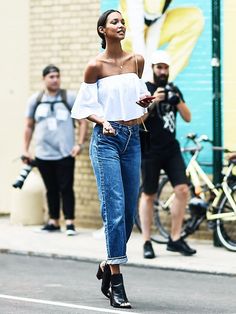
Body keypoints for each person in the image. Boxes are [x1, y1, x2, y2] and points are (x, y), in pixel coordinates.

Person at [71, 9, 152, 309]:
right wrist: (102, 120)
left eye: (122, 21)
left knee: (128, 213)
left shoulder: (136, 61)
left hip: (133, 139)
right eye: (114, 22)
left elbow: (139, 105)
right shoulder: (95, 66)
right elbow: (83, 107)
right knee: (114, 209)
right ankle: (117, 283)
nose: (121, 25)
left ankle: (107, 263)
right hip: (106, 140)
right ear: (102, 30)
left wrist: (145, 105)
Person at [139, 50, 197, 258]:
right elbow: (137, 119)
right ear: (153, 69)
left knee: (182, 190)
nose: (163, 71)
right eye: (159, 67)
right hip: (150, 149)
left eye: (166, 68)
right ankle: (146, 241)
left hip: (171, 148)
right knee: (149, 195)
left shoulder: (174, 89)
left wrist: (177, 101)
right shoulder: (145, 89)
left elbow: (188, 117)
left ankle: (174, 239)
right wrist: (153, 102)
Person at [23, 65, 88, 236]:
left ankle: (70, 223)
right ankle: (53, 221)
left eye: (57, 76)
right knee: (50, 188)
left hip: (65, 153)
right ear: (44, 79)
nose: (55, 79)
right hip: (43, 153)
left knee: (66, 188)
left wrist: (79, 144)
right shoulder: (35, 100)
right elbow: (29, 126)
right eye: (51, 76)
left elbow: (83, 122)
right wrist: (25, 149)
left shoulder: (69, 98)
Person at [119, 0, 204, 80]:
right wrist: (143, 73)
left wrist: (152, 77)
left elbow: (157, 22)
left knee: (194, 18)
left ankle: (161, 80)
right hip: (128, 34)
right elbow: (136, 31)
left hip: (150, 29)